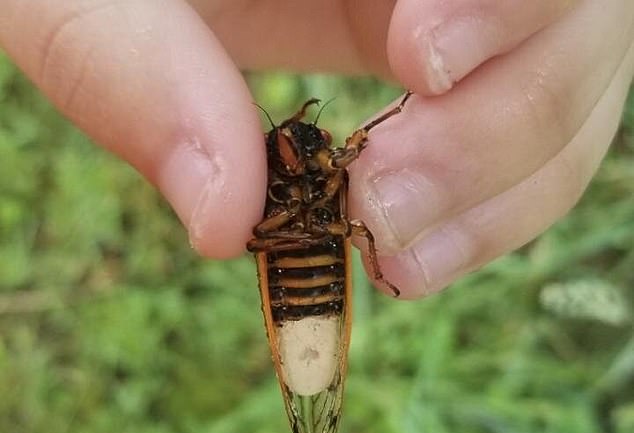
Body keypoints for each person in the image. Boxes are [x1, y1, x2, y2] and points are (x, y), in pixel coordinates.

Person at [1, 1, 632, 299]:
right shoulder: (310, 176)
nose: (308, 148)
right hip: (308, 257)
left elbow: (342, 167)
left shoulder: (333, 167)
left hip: (306, 255)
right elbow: (258, 229)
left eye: (313, 142)